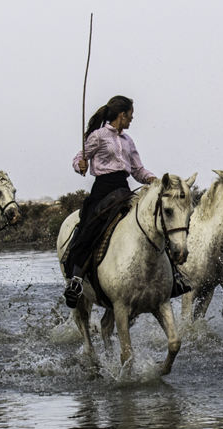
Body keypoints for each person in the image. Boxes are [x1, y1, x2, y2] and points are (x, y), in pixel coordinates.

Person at [63, 95, 158, 307]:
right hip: (103, 190)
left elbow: (137, 170)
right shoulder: (98, 136)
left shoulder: (128, 141)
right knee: (91, 228)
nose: (132, 119)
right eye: (130, 115)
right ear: (121, 115)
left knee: (152, 222)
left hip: (123, 188)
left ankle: (170, 276)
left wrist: (153, 179)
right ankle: (76, 280)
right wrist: (80, 164)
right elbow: (80, 156)